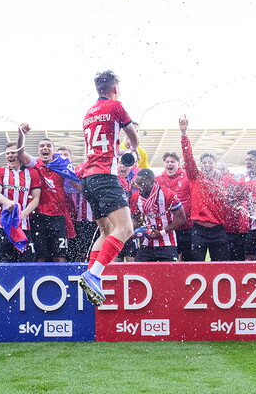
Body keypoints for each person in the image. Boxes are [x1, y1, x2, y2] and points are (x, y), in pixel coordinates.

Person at [77, 70, 141, 306]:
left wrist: (119, 148)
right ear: (115, 88)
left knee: (106, 231)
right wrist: (132, 147)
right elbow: (133, 138)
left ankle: (93, 273)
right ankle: (93, 274)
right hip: (105, 176)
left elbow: (104, 143)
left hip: (89, 179)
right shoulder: (116, 106)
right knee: (125, 229)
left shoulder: (88, 113)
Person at [16, 126, 75, 262]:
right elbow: (20, 154)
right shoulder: (35, 163)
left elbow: (77, 185)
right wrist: (21, 136)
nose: (45, 148)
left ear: (53, 151)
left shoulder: (62, 167)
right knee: (40, 257)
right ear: (38, 150)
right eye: (42, 146)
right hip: (38, 217)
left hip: (58, 217)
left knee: (60, 257)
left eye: (48, 146)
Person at [178, 114, 230, 262]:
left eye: (210, 162)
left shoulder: (222, 182)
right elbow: (188, 156)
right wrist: (183, 133)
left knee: (221, 266)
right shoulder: (195, 177)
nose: (207, 165)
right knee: (197, 265)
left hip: (218, 229)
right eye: (204, 162)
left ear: (215, 164)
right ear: (200, 165)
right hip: (199, 230)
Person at [0, 141, 42, 263]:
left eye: (13, 152)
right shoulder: (0, 171)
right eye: (7, 153)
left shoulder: (32, 173)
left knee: (25, 262)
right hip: (1, 225)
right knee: (0, 263)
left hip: (23, 226)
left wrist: (23, 214)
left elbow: (36, 198)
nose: (10, 156)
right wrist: (7, 202)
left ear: (19, 154)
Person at [130, 168, 187, 262]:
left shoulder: (168, 195)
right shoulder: (135, 196)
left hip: (167, 243)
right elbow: (135, 218)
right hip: (146, 243)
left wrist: (162, 232)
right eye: (138, 184)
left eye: (143, 184)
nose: (140, 187)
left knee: (169, 274)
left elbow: (182, 218)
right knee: (138, 273)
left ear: (152, 182)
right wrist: (133, 231)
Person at [59, 146, 97, 263]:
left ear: (70, 159)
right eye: (59, 155)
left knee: (90, 250)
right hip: (66, 220)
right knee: (73, 251)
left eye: (65, 155)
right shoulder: (52, 173)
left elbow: (83, 188)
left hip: (88, 219)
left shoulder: (79, 171)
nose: (62, 157)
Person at [155, 151, 194, 261]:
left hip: (187, 226)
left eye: (172, 161)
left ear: (178, 164)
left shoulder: (187, 178)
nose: (169, 164)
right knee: (170, 259)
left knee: (188, 259)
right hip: (168, 228)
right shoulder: (158, 180)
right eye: (167, 162)